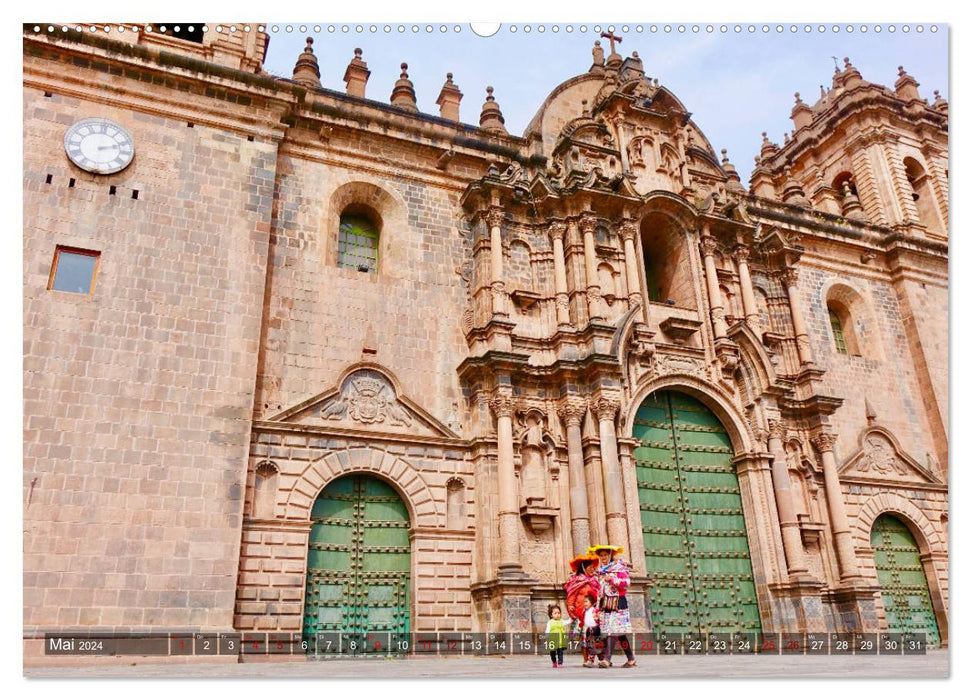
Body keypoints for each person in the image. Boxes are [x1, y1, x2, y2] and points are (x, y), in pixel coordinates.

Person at [588, 544, 636, 668]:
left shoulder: (619, 568)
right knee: (619, 634)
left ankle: (607, 659)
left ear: (610, 555)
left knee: (613, 631)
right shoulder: (600, 571)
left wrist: (613, 580)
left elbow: (627, 583)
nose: (603, 557)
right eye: (601, 555)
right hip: (605, 603)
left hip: (618, 602)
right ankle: (631, 659)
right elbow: (600, 591)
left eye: (605, 555)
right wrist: (597, 609)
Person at [564, 554, 601, 665]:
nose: (592, 570)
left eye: (593, 568)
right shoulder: (577, 581)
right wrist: (572, 611)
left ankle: (601, 658)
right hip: (581, 614)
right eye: (589, 568)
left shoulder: (595, 581)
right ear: (583, 568)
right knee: (584, 638)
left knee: (596, 637)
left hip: (593, 614)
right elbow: (571, 596)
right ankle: (586, 659)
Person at [581, 593, 603, 668]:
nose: (584, 603)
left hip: (596, 630)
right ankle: (590, 660)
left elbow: (598, 608)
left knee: (598, 646)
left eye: (586, 601)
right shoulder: (584, 611)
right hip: (588, 630)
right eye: (584, 602)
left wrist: (598, 599)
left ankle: (601, 659)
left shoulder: (594, 609)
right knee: (590, 646)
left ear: (591, 602)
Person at [545, 604, 568, 668]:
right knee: (552, 653)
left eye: (559, 613)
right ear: (551, 615)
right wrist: (546, 636)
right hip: (552, 640)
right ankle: (554, 662)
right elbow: (547, 630)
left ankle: (560, 663)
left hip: (560, 641)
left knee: (560, 652)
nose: (557, 614)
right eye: (555, 613)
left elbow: (568, 621)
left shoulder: (562, 621)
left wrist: (572, 618)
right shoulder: (550, 622)